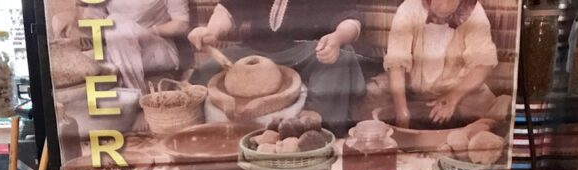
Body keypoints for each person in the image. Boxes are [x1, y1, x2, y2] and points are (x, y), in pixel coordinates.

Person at [188, 0, 365, 132]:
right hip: (253, 55)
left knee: (342, 56)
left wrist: (337, 38)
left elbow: (350, 19)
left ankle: (313, 124)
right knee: (208, 70)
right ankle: (211, 129)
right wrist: (211, 31)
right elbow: (227, 10)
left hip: (305, 53)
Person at [384, 0, 511, 129]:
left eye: (447, 16)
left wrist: (453, 98)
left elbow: (483, 65)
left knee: (496, 116)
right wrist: (402, 113)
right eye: (436, 15)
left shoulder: (474, 11)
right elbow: (396, 63)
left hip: (462, 93)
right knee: (377, 100)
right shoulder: (408, 8)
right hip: (415, 94)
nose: (440, 21)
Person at [79, 0, 190, 94]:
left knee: (117, 23)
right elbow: (93, 19)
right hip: (118, 47)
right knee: (115, 23)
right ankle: (130, 95)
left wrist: (145, 33)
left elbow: (181, 23)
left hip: (158, 49)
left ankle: (135, 94)